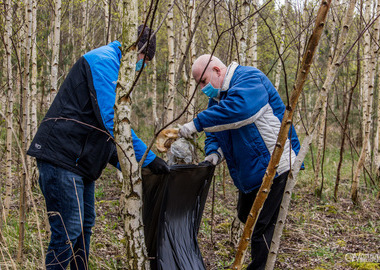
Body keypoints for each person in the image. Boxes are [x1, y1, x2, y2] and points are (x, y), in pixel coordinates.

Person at [27, 25, 169, 270]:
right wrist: (147, 158)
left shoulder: (116, 68)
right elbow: (112, 122)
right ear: (135, 50)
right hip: (62, 158)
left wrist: (131, 164)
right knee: (68, 231)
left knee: (84, 228)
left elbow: (105, 134)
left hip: (81, 163)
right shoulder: (103, 62)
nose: (141, 68)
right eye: (143, 61)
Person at [179, 54, 302, 270]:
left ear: (217, 70)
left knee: (260, 227)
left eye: (203, 81)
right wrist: (213, 153)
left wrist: (196, 123)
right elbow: (216, 131)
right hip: (251, 172)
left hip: (276, 165)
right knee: (246, 215)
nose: (202, 88)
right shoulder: (217, 99)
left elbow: (240, 112)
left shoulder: (250, 79)